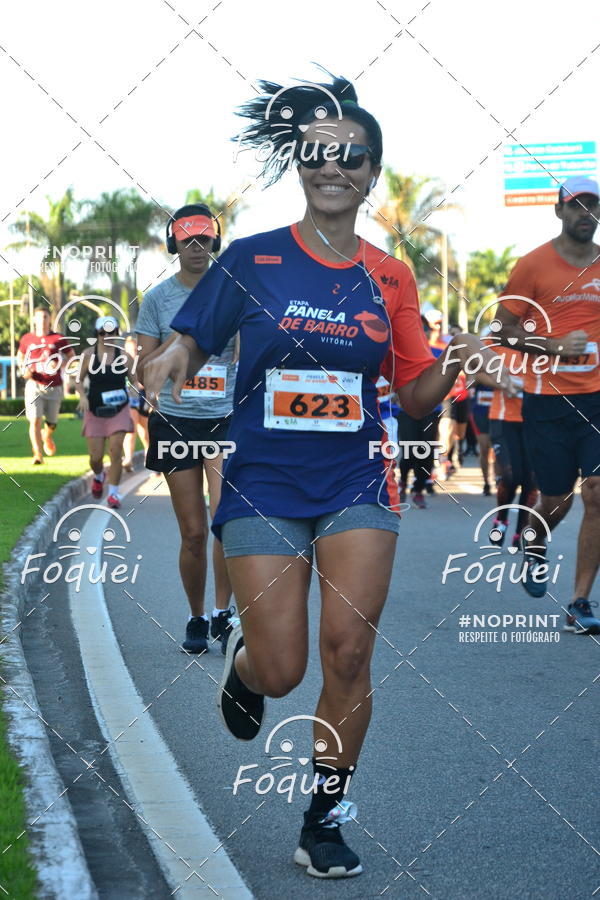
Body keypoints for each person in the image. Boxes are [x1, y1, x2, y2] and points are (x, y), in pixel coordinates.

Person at [144, 74, 512, 878]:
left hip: (356, 480)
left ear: (372, 172)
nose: (332, 167)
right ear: (301, 165)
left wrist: (453, 361)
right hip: (264, 484)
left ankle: (324, 816)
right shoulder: (252, 259)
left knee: (347, 656)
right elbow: (189, 342)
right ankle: (246, 666)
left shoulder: (392, 276)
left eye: (351, 156)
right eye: (318, 154)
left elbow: (413, 393)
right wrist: (169, 358)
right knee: (284, 669)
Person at [494, 175, 600, 634]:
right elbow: (500, 331)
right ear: (559, 211)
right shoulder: (533, 265)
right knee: (556, 501)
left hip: (597, 399)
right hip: (548, 401)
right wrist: (554, 345)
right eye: (576, 206)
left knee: (597, 495)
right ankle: (534, 541)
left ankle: (580, 601)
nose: (585, 214)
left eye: (592, 206)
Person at [136, 204, 236, 656]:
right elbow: (143, 369)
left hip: (225, 419)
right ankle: (196, 616)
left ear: (215, 241)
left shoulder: (234, 291)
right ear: (173, 243)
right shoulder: (158, 299)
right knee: (193, 532)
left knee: (226, 524)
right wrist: (187, 342)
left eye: (205, 239)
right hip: (175, 422)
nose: (197, 247)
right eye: (188, 239)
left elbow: (251, 357)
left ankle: (222, 612)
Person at [73, 316, 134, 509]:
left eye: (111, 332)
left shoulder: (124, 356)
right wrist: (82, 396)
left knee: (116, 450)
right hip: (95, 410)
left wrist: (138, 389)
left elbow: (136, 380)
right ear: (97, 334)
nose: (107, 336)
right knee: (95, 457)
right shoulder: (89, 355)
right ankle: (99, 476)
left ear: (117, 333)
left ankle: (114, 494)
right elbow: (77, 380)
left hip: (119, 409)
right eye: (102, 333)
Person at [487, 345, 538, 548]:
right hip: (503, 418)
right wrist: (501, 381)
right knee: (510, 475)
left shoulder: (545, 344)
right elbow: (476, 369)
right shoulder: (499, 343)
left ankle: (521, 530)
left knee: (531, 480)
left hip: (535, 422)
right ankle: (501, 520)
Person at [17, 306, 73, 464]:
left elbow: (71, 356)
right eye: (39, 317)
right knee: (35, 420)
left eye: (45, 317)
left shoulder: (58, 338)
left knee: (52, 423)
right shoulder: (27, 339)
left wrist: (61, 364)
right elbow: (20, 356)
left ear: (50, 319)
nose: (42, 320)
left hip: (54, 386)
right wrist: (24, 369)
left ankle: (46, 435)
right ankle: (37, 454)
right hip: (34, 385)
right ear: (34, 319)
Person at [122, 335, 150, 472]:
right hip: (130, 399)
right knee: (130, 430)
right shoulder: (120, 363)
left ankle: (149, 458)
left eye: (134, 350)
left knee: (145, 433)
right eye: (129, 350)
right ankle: (128, 459)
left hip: (144, 399)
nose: (132, 353)